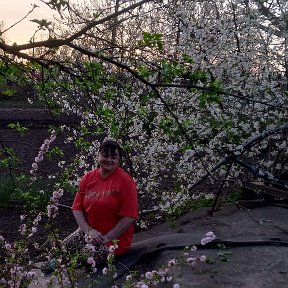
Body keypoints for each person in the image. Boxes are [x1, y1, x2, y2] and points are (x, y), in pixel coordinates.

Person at [41, 139, 138, 272]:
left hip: (114, 239)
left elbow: (129, 216)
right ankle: (60, 260)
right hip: (90, 231)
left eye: (113, 157)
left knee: (86, 255)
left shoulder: (126, 182)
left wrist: (107, 237)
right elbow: (77, 208)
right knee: (63, 248)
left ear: (119, 160)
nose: (109, 160)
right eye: (105, 155)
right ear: (98, 156)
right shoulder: (88, 178)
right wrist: (88, 230)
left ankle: (62, 264)